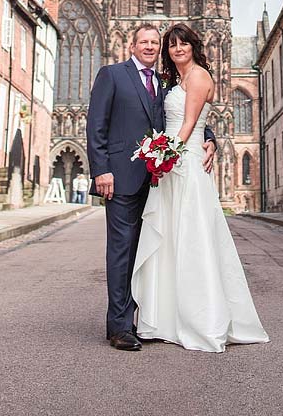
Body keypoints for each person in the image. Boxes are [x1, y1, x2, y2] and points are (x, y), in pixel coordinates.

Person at [131, 23, 269, 353]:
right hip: (176, 161)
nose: (178, 49)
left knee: (192, 239)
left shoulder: (199, 76)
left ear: (193, 47)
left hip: (185, 163)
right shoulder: (174, 81)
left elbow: (191, 123)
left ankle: (202, 320)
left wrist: (166, 154)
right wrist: (167, 154)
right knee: (172, 241)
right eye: (173, 45)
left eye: (184, 44)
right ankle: (168, 319)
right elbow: (177, 121)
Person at [86, 24, 217, 351]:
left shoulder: (164, 82)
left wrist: (208, 137)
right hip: (120, 177)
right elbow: (96, 125)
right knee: (121, 251)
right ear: (132, 44)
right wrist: (101, 171)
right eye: (144, 41)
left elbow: (185, 113)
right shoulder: (112, 74)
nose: (149, 47)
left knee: (149, 251)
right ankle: (119, 326)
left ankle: (150, 317)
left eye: (154, 43)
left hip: (159, 180)